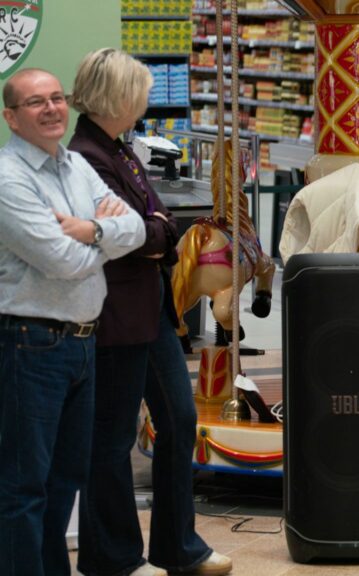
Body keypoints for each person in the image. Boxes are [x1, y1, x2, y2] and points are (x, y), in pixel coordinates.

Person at [66, 49, 233, 576]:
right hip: (114, 316)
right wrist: (152, 230)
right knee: (112, 439)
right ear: (117, 96)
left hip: (150, 311)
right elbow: (139, 236)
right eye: (138, 91)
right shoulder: (87, 156)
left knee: (180, 420)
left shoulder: (119, 148)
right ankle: (113, 558)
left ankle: (178, 547)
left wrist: (151, 229)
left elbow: (157, 221)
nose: (144, 99)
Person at [0, 68, 145, 576]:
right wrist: (105, 236)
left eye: (56, 98)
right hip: (30, 344)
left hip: (82, 343)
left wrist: (90, 230)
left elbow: (137, 228)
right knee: (23, 487)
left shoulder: (77, 165)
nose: (51, 109)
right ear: (11, 118)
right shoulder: (8, 178)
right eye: (35, 102)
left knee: (65, 480)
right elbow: (60, 260)